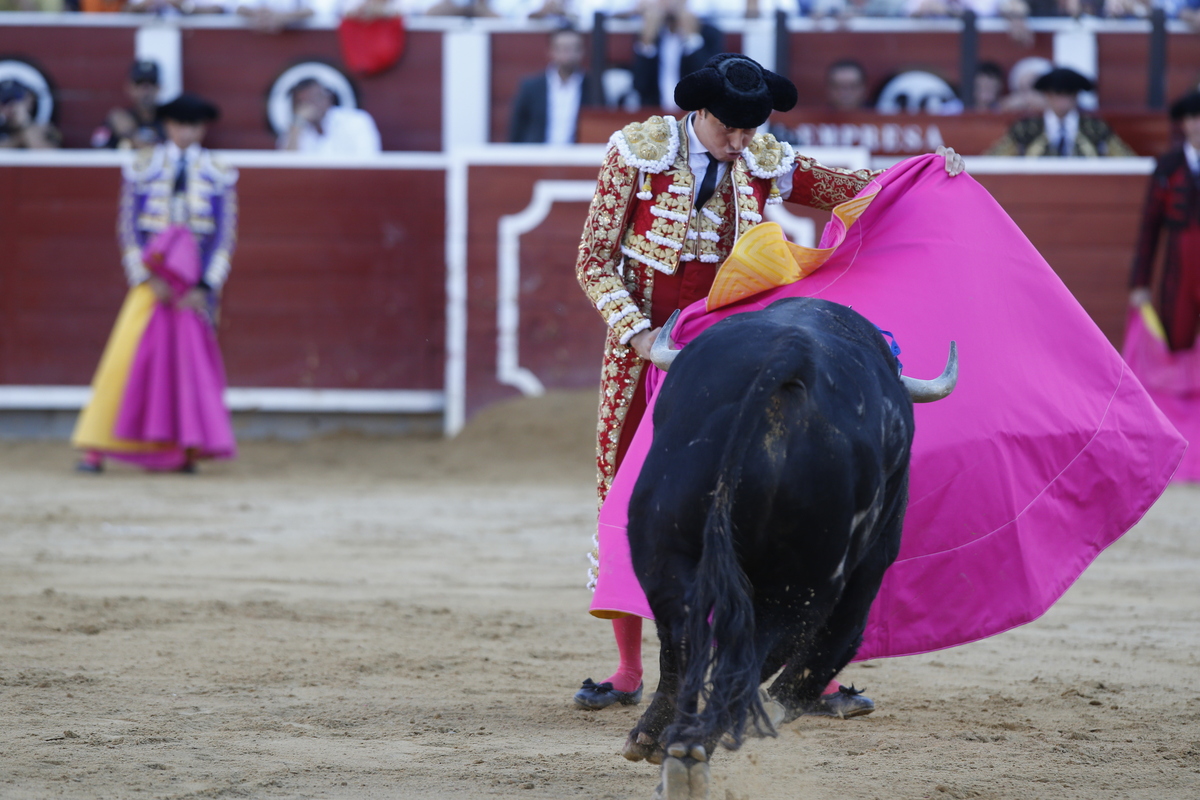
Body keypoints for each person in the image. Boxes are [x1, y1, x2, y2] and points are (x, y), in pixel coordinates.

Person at [573, 52, 965, 716]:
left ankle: (815, 666)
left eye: (752, 130)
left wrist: (926, 176)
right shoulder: (635, 154)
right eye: (731, 129)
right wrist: (638, 335)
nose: (741, 142)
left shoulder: (761, 156)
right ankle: (627, 667)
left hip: (733, 344)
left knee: (784, 487)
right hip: (647, 351)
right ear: (699, 113)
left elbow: (852, 188)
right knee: (631, 492)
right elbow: (592, 260)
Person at [72, 93, 238, 474]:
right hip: (152, 285)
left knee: (187, 368)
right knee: (127, 360)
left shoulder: (219, 171)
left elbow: (224, 236)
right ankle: (95, 448)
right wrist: (145, 277)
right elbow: (128, 227)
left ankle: (181, 450)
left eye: (194, 125)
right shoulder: (144, 166)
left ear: (202, 128)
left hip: (191, 289)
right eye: (180, 124)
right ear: (168, 126)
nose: (186, 131)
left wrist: (204, 287)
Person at [1130, 90, 1200, 352]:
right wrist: (1140, 283)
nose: (1198, 125)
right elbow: (1149, 228)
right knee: (1176, 339)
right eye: (1192, 117)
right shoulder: (1168, 166)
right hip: (1179, 267)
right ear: (1183, 123)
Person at [986, 67, 1133, 156]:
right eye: (1056, 93)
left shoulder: (1097, 128)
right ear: (1047, 95)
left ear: (1076, 96)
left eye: (1068, 93)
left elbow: (1127, 162)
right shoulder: (1024, 129)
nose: (1062, 100)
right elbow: (993, 161)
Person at [509, 27, 597, 144]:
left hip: (578, 157)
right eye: (562, 48)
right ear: (551, 51)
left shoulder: (593, 87)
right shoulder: (531, 86)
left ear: (582, 51)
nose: (568, 54)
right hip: (537, 156)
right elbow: (517, 128)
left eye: (573, 48)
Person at [630, 0, 722, 111]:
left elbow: (709, 82)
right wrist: (647, 41)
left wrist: (692, 37)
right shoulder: (651, 34)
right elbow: (640, 85)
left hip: (694, 114)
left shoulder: (709, 33)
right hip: (654, 114)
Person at [278, 78, 381, 155]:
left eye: (312, 99)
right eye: (301, 103)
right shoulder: (294, 130)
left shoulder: (356, 121)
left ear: (327, 99)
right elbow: (287, 168)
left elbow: (368, 161)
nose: (307, 106)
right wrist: (296, 127)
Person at [92, 60, 166, 151]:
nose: (145, 91)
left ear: (159, 88)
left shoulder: (171, 119)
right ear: (129, 88)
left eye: (151, 84)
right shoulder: (117, 120)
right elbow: (97, 151)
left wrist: (131, 134)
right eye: (139, 84)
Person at [0, 80, 61, 150]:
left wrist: (24, 123)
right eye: (6, 101)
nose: (12, 106)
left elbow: (50, 156)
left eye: (17, 100)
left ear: (29, 101)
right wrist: (18, 139)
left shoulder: (46, 129)